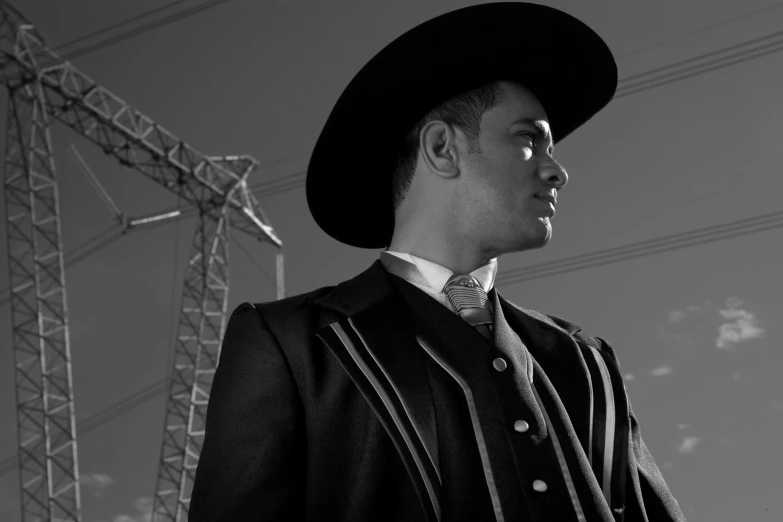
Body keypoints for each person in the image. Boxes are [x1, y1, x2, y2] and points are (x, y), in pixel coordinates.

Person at [190, 3, 687, 521]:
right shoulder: (291, 346)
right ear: (442, 148)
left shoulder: (585, 361)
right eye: (528, 138)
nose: (557, 171)